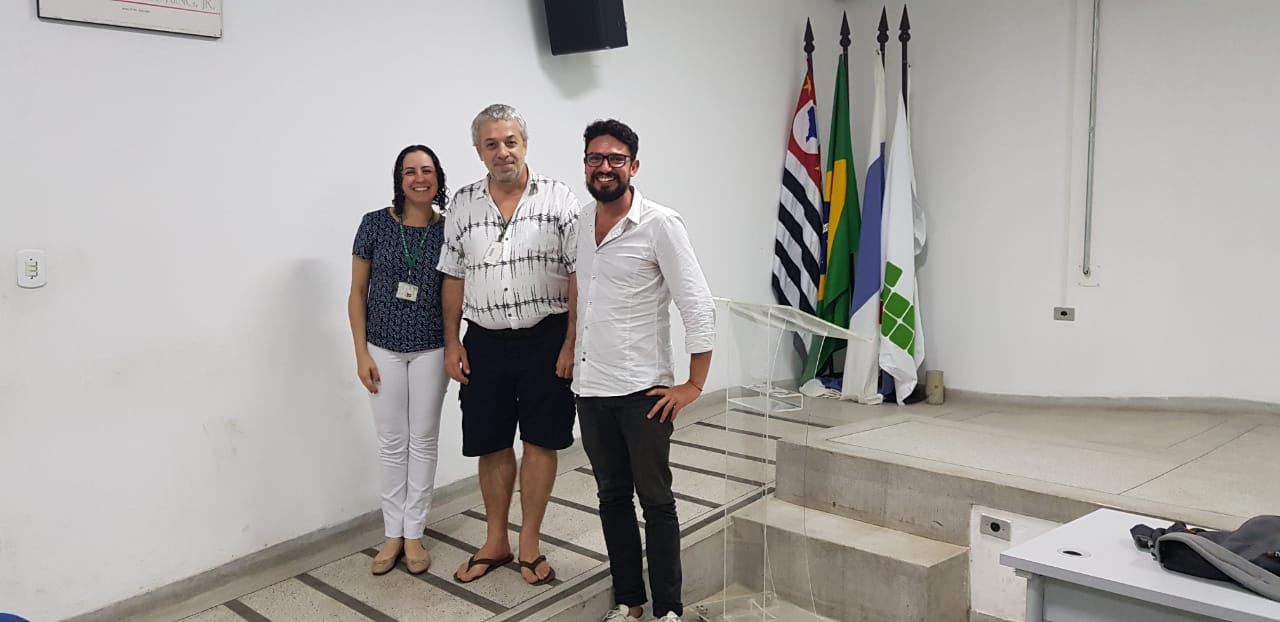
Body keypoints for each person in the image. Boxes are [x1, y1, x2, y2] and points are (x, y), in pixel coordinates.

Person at [573, 119, 715, 622]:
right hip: (590, 390)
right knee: (611, 496)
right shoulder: (579, 226)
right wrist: (571, 351)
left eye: (615, 159)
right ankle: (630, 603)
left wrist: (694, 384)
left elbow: (697, 305)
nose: (605, 166)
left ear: (633, 166)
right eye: (595, 158)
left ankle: (668, 611)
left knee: (656, 501)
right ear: (585, 165)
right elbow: (581, 298)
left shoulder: (660, 224)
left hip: (643, 393)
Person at [437, 103, 581, 586]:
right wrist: (451, 343)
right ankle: (495, 540)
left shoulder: (559, 198)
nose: (503, 152)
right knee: (492, 442)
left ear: (525, 143)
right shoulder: (461, 203)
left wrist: (571, 342)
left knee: (542, 440)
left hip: (547, 340)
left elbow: (580, 274)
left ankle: (529, 544)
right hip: (485, 343)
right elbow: (453, 276)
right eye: (491, 144)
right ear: (479, 151)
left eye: (510, 141)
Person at [347, 144, 451, 576]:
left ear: (438, 178)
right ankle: (392, 534)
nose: (419, 178)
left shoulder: (450, 230)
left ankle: (414, 534)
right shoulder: (374, 224)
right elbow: (356, 293)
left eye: (427, 170)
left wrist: (455, 345)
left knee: (423, 439)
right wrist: (360, 353)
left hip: (432, 347)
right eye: (410, 171)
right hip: (382, 348)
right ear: (399, 179)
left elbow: (454, 294)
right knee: (392, 442)